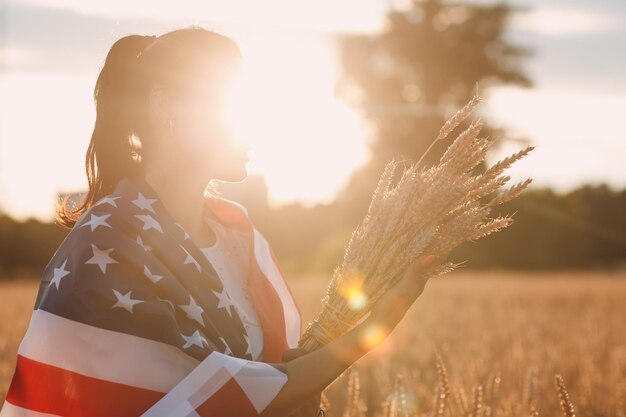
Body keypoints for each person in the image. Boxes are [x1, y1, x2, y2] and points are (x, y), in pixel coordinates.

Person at [0, 27, 447, 417]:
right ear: (167, 107)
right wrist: (377, 327)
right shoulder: (107, 245)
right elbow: (232, 398)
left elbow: (275, 375)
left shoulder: (239, 234)